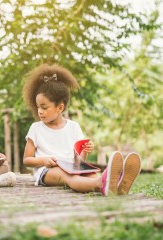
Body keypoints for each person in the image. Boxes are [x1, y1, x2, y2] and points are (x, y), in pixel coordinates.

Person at [22, 64, 141, 196]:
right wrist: (43, 160)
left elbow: (79, 161)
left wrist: (84, 150)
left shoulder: (73, 127)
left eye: (44, 107)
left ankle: (116, 186)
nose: (39, 111)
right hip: (46, 171)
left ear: (60, 108)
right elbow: (27, 159)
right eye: (38, 106)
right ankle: (101, 185)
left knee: (92, 174)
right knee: (69, 177)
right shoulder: (36, 128)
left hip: (72, 167)